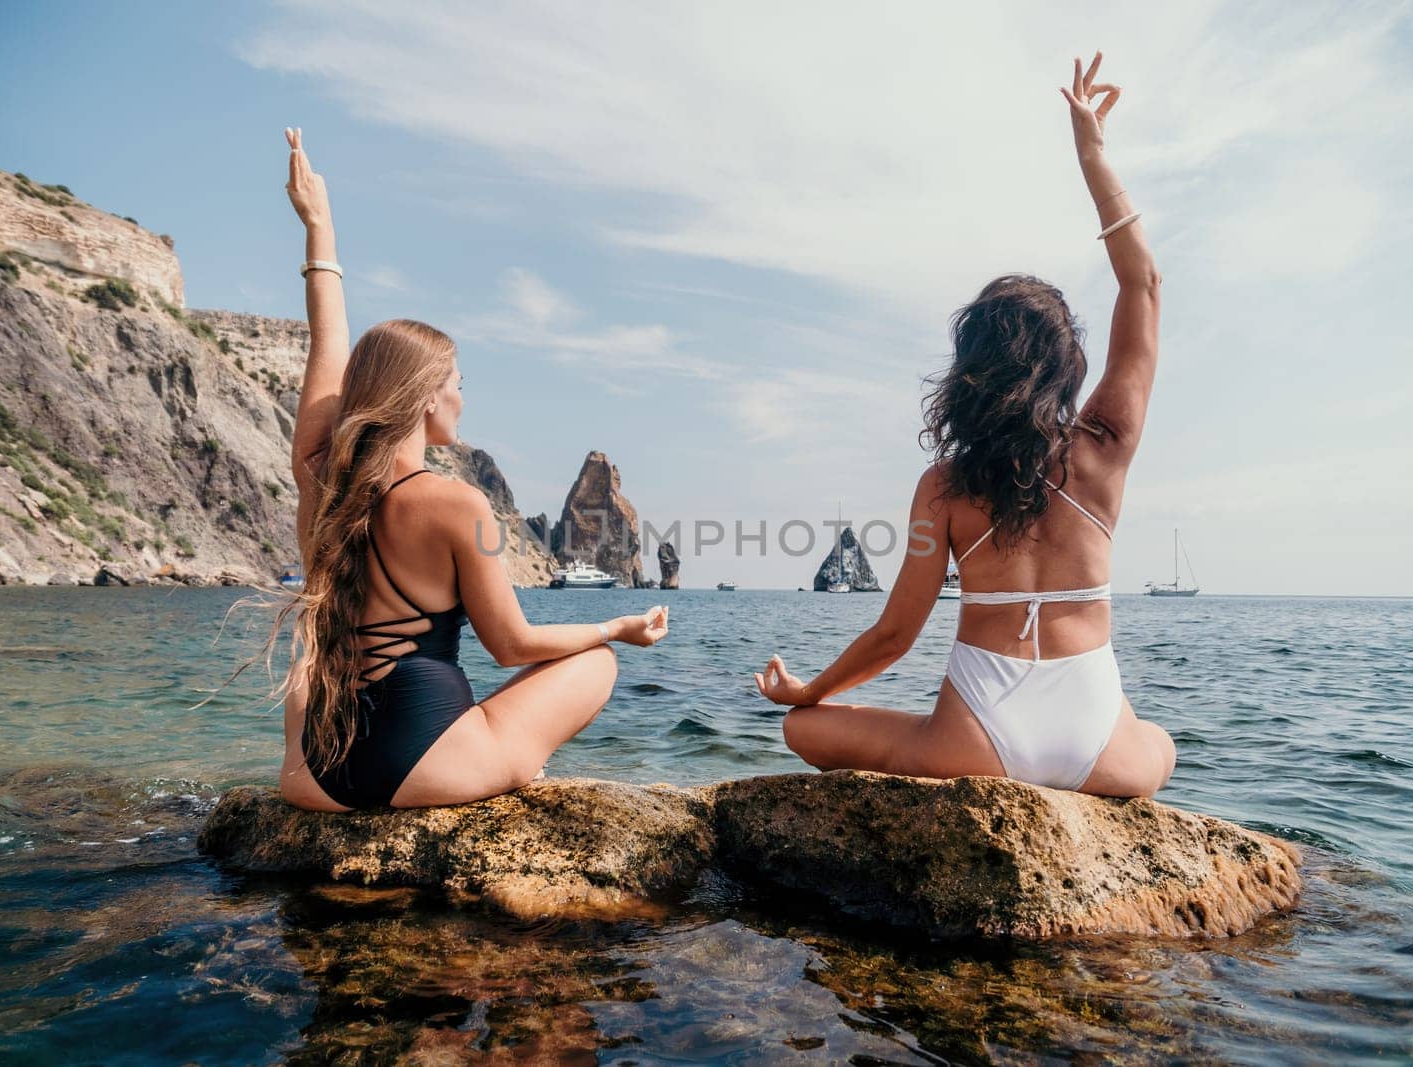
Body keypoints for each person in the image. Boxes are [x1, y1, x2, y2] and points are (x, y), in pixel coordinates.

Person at [753, 54, 1176, 798]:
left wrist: (807, 691)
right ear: (1065, 364)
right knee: (1161, 744)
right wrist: (1092, 154)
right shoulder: (1105, 450)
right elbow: (1141, 281)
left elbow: (895, 635)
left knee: (802, 729)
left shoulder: (944, 488)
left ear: (969, 372)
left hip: (974, 742)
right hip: (1099, 746)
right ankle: (1111, 753)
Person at [269, 127, 669, 811]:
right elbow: (512, 645)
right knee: (595, 665)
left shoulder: (321, 476)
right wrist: (616, 626)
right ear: (425, 398)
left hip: (317, 778)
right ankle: (497, 765)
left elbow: (328, 342)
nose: (463, 393)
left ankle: (465, 754)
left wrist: (319, 229)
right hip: (419, 768)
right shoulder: (458, 504)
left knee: (311, 673)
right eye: (457, 380)